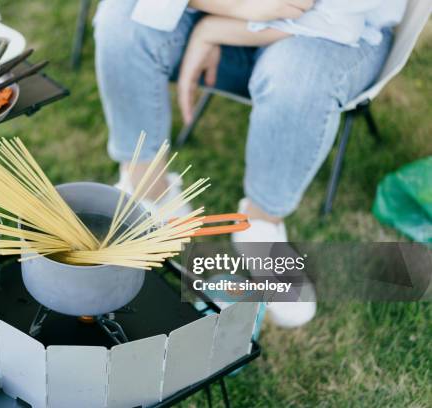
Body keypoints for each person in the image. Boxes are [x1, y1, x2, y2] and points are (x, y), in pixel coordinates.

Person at [93, 0, 406, 328]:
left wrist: (213, 30)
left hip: (331, 30)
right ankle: (151, 196)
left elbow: (335, 19)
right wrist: (229, 7)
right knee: (121, 22)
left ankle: (261, 229)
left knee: (296, 79)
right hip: (220, 7)